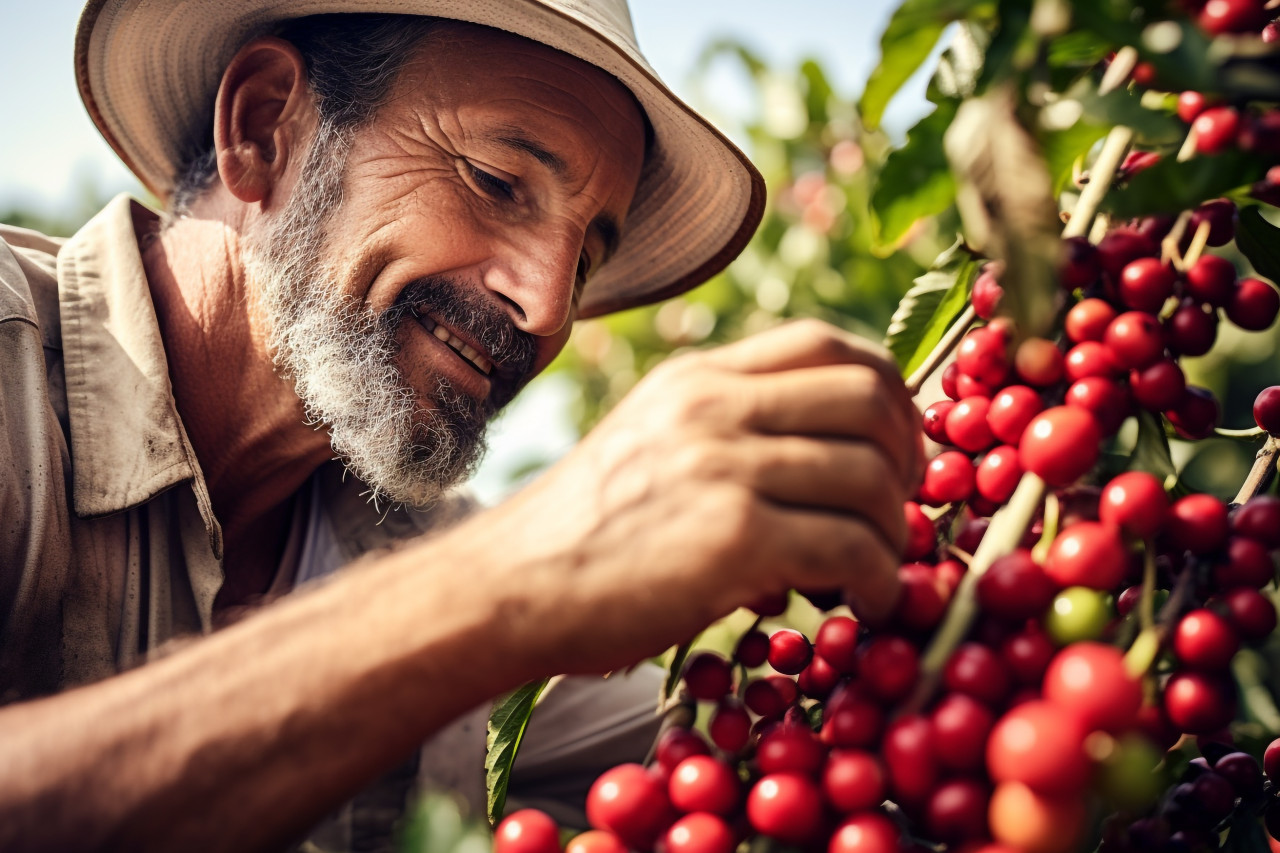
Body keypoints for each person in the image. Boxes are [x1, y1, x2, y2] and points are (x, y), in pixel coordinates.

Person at [0, 0, 923, 850]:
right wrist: (506, 583)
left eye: (588, 261)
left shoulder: (422, 552)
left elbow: (803, 768)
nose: (549, 307)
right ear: (263, 125)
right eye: (495, 180)